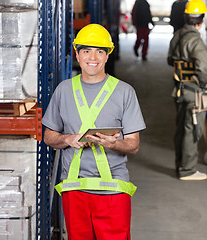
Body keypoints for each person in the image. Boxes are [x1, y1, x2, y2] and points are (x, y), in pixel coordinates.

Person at [42, 24, 146, 239]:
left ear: (107, 56)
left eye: (100, 51)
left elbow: (134, 144)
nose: (93, 57)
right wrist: (67, 139)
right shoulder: (63, 90)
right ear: (77, 55)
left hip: (113, 190)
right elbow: (49, 137)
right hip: (75, 187)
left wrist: (113, 144)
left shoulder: (125, 92)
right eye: (86, 50)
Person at [167, 0, 207, 181]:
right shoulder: (196, 40)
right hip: (192, 91)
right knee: (192, 129)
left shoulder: (177, 35)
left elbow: (170, 60)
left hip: (179, 89)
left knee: (181, 129)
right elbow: (202, 66)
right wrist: (203, 83)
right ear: (201, 19)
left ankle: (180, 165)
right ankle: (188, 170)